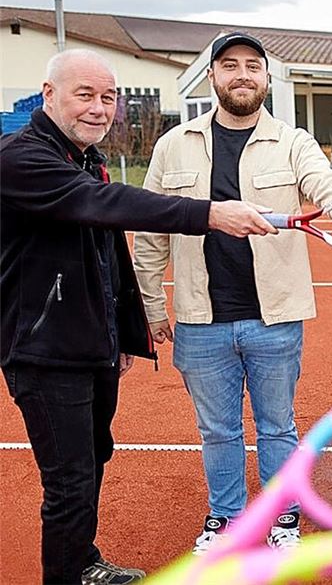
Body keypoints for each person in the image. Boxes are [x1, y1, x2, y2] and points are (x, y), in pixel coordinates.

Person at [0, 48, 274, 585]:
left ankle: (84, 561)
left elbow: (106, 256)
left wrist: (121, 333)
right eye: (85, 95)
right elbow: (107, 205)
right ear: (49, 95)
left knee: (93, 460)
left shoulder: (84, 157)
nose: (100, 108)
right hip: (44, 351)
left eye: (108, 97)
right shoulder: (20, 158)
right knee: (69, 482)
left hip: (89, 344)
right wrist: (211, 214)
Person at [132, 32, 332, 555]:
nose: (242, 74)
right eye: (229, 66)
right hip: (201, 322)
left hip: (275, 320)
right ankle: (226, 518)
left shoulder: (294, 142)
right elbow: (150, 234)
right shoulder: (171, 145)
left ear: (267, 79)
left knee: (277, 426)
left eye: (252, 66)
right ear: (213, 78)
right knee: (218, 430)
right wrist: (152, 305)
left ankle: (281, 515)